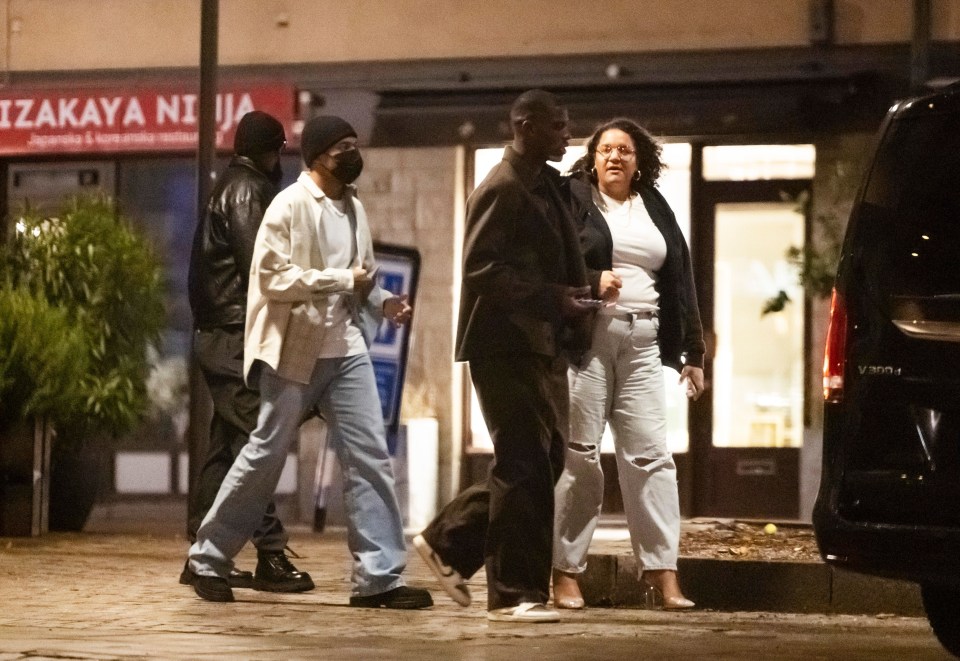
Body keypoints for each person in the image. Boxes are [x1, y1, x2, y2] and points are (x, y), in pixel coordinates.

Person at [184, 115, 433, 610]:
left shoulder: (353, 206)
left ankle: (379, 578)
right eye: (343, 146)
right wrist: (342, 280)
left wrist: (382, 301)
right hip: (296, 349)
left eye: (354, 145)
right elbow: (273, 279)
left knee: (371, 459)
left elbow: (359, 277)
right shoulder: (287, 205)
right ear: (318, 154)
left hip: (347, 351)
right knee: (263, 456)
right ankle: (207, 558)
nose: (351, 153)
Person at [413, 89, 594, 623]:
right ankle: (515, 593)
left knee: (546, 458)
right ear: (525, 126)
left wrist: (572, 301)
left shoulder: (544, 186)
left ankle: (450, 543)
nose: (567, 134)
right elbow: (481, 270)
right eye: (558, 126)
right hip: (503, 344)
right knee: (524, 463)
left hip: (540, 342)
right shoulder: (503, 186)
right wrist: (553, 297)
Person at [551, 118, 705, 611]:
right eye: (606, 150)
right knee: (580, 457)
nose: (615, 157)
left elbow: (681, 279)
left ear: (639, 162)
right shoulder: (573, 199)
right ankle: (564, 572)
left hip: (643, 341)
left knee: (651, 458)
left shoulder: (655, 205)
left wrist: (694, 354)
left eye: (625, 151)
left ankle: (663, 574)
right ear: (592, 158)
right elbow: (554, 259)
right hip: (587, 341)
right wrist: (595, 279)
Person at [184, 110, 313, 594]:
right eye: (279, 150)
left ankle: (200, 551)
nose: (281, 159)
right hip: (234, 335)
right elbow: (260, 265)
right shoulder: (247, 190)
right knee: (256, 444)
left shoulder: (232, 185)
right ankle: (270, 553)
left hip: (221, 334)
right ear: (269, 150)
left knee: (225, 446)